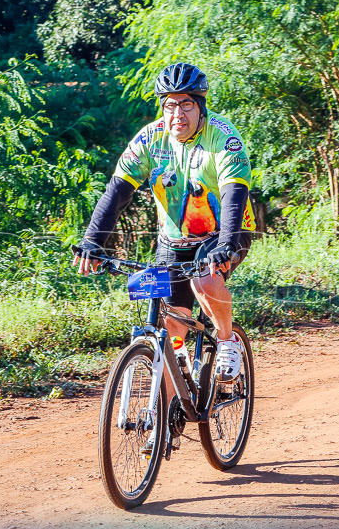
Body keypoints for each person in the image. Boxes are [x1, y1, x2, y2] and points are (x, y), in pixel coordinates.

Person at [73, 62, 256, 382]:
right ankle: (166, 414)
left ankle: (227, 340)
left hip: (224, 232)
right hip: (173, 241)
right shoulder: (150, 138)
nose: (178, 114)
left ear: (201, 106)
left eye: (186, 104)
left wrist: (227, 243)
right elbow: (117, 191)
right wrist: (92, 241)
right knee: (173, 325)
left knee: (205, 281)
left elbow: (233, 191)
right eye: (170, 105)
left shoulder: (223, 136)